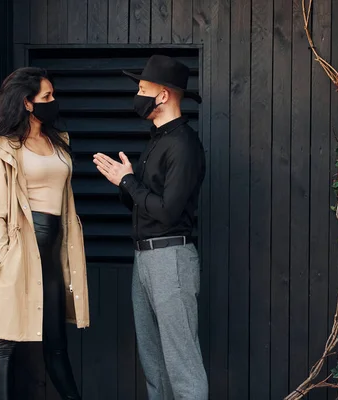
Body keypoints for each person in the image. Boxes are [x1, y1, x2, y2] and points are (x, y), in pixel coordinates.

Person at [93, 55, 208, 400]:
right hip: (145, 259)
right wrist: (126, 183)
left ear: (162, 96)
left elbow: (168, 211)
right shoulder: (157, 139)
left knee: (182, 365)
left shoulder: (184, 145)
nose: (138, 95)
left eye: (144, 89)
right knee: (154, 364)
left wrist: (128, 180)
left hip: (171, 258)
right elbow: (143, 204)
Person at [0, 67, 89, 400]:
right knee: (3, 343)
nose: (54, 102)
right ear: (27, 103)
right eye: (47, 97)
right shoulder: (6, 148)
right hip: (18, 252)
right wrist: (1, 258)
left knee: (55, 343)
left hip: (52, 253)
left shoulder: (58, 141)